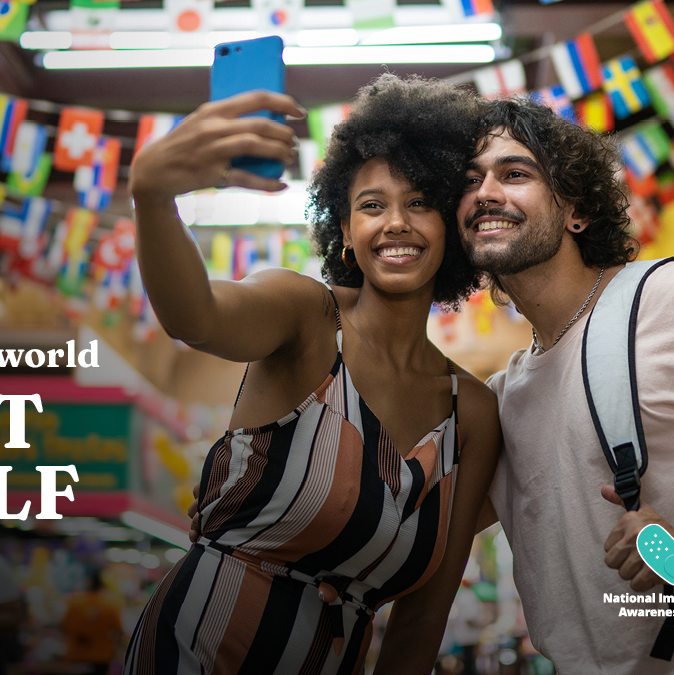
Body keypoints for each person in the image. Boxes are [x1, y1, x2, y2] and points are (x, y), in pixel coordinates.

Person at [123, 75, 502, 674]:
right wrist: (153, 196)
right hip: (193, 653)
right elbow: (196, 317)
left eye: (420, 203)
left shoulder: (471, 411)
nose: (395, 222)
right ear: (345, 230)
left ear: (452, 225)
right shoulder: (306, 316)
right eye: (372, 205)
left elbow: (422, 619)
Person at [449, 97, 674, 675]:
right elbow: (425, 532)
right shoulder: (503, 398)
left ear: (576, 210)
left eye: (514, 173)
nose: (484, 192)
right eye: (468, 181)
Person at [60, 571, 123, 675]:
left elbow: (64, 627)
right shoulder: (111, 605)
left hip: (77, 654)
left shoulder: (74, 603)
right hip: (102, 655)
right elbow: (118, 630)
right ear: (101, 585)